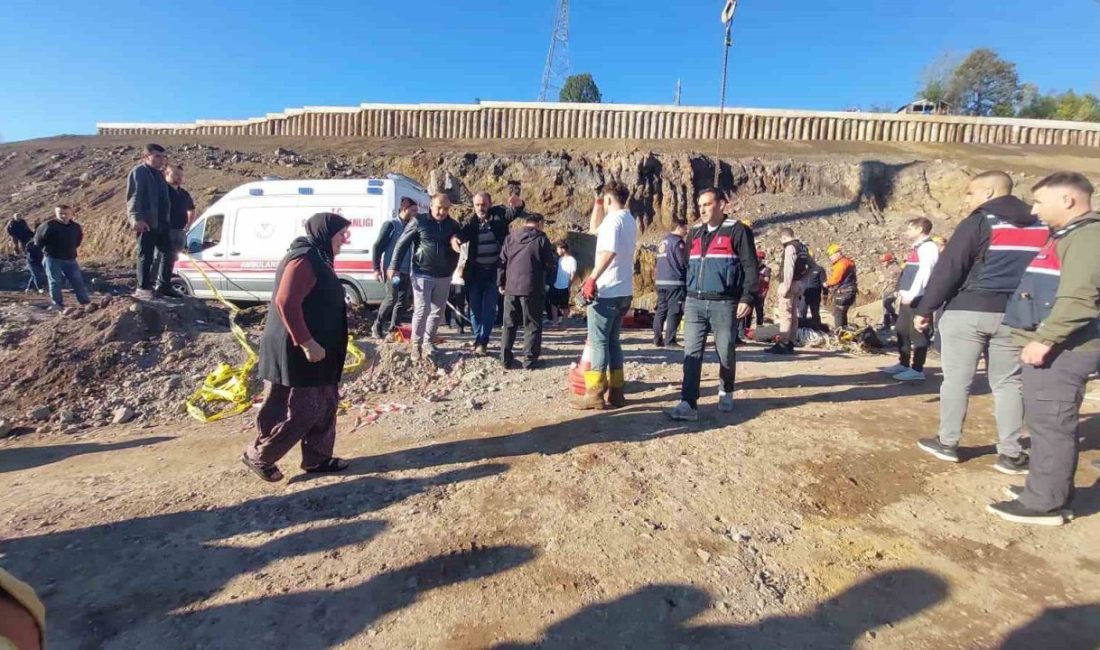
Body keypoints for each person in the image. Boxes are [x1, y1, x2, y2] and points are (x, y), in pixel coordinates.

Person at [987, 172, 1100, 526]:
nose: (1034, 211)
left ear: (1068, 200)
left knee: (1051, 424)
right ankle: (1049, 490)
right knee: (1044, 422)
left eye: (1039, 201)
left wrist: (1045, 338)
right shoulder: (1069, 235)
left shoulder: (1086, 237)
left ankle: (1044, 504)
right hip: (1057, 344)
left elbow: (1081, 298)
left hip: (1064, 349)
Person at [913, 171, 1043, 474]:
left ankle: (948, 442)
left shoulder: (980, 222)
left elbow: (950, 269)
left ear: (988, 192)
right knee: (1009, 383)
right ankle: (1011, 454)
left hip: (968, 310)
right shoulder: (1041, 226)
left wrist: (926, 308)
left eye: (970, 193)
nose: (967, 199)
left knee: (958, 380)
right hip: (1016, 314)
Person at [242, 212, 352, 482]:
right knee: (301, 410)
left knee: (326, 402)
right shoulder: (304, 259)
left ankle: (317, 458)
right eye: (341, 235)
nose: (345, 241)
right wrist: (307, 342)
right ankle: (260, 456)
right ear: (326, 234)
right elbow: (286, 302)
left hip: (320, 350)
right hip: (297, 350)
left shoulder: (320, 256)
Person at [666, 188, 758, 421]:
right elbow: (688, 265)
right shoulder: (694, 233)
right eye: (700, 205)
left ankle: (726, 390)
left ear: (722, 205)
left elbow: (750, 267)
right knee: (691, 353)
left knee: (726, 351)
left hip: (724, 304)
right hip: (695, 302)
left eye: (707, 204)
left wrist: (747, 297)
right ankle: (688, 403)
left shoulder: (738, 231)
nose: (703, 210)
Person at [570, 181, 638, 410]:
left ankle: (595, 393)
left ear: (610, 199)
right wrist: (599, 203)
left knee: (599, 341)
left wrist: (591, 279)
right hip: (624, 291)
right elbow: (593, 229)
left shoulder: (612, 221)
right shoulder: (628, 220)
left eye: (604, 201)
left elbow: (609, 251)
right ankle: (617, 392)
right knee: (613, 341)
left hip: (606, 290)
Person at [389, 194, 464, 361]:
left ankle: (428, 342)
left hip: (444, 274)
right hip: (422, 272)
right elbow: (402, 243)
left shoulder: (453, 225)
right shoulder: (419, 221)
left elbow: (460, 240)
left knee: (438, 311)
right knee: (422, 310)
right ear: (431, 205)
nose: (442, 211)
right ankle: (416, 344)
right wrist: (393, 265)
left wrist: (456, 239)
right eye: (439, 207)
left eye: (446, 208)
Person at [880, 218, 940, 382]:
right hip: (908, 297)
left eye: (910, 229)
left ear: (920, 229)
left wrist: (913, 294)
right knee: (901, 330)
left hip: (918, 298)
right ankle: (903, 363)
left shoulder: (928, 247)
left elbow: (924, 274)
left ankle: (917, 369)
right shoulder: (917, 248)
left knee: (918, 333)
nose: (907, 232)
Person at [498, 213, 557, 369]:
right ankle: (529, 361)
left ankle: (505, 359)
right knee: (532, 324)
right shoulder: (541, 239)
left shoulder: (510, 238)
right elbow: (550, 263)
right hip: (532, 288)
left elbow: (502, 262)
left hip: (511, 287)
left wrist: (500, 282)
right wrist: (547, 281)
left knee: (509, 324)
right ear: (539, 223)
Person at [126, 143, 172, 300]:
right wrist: (136, 218)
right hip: (146, 222)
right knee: (145, 255)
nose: (161, 159)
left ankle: (164, 286)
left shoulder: (159, 174)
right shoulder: (139, 172)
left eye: (163, 156)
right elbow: (133, 196)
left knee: (168, 253)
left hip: (162, 222)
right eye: (157, 156)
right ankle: (143, 288)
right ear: (146, 156)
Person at [370, 197, 416, 339]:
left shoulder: (412, 226)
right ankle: (377, 326)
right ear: (404, 209)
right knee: (391, 298)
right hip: (393, 270)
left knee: (403, 300)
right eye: (413, 210)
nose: (415, 214)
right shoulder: (391, 225)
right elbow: (377, 246)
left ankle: (394, 328)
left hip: (407, 270)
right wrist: (376, 268)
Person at [34, 206, 91, 309]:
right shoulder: (48, 225)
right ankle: (57, 304)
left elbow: (78, 240)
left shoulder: (75, 227)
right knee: (55, 282)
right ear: (56, 213)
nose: (64, 216)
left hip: (70, 259)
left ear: (71, 214)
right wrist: (49, 251)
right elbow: (38, 241)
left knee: (77, 281)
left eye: (66, 213)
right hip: (53, 259)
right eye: (61, 213)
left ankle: (85, 302)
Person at [152, 163, 195, 298]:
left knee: (172, 259)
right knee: (159, 258)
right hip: (164, 230)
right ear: (166, 174)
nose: (179, 177)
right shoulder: (161, 190)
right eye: (175, 174)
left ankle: (165, 285)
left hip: (179, 231)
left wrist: (189, 224)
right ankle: (153, 285)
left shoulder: (183, 193)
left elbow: (191, 209)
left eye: (181, 175)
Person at [766, 228, 809, 355]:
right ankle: (790, 342)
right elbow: (812, 267)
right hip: (799, 284)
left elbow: (788, 269)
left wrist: (785, 286)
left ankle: (783, 343)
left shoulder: (790, 247)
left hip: (789, 285)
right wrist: (802, 280)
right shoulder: (803, 248)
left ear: (783, 237)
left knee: (785, 315)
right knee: (794, 316)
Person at [653, 218, 688, 347]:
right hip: (675, 282)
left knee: (661, 310)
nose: (687, 231)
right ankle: (670, 340)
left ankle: (657, 338)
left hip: (661, 282)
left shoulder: (663, 242)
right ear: (679, 228)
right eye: (685, 228)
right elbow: (683, 262)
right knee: (675, 310)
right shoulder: (678, 243)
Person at [824, 243, 858, 329]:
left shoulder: (841, 264)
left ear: (838, 253)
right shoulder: (848, 262)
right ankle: (845, 331)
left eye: (831, 255)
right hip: (850, 291)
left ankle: (840, 332)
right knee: (842, 313)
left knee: (838, 313)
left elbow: (836, 279)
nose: (830, 258)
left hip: (844, 292)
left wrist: (826, 283)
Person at [742, 249, 770, 337]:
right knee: (748, 312)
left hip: (760, 294)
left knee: (759, 312)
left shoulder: (766, 269)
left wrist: (758, 276)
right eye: (758, 258)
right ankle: (746, 330)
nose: (759, 260)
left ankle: (760, 330)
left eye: (761, 258)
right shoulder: (752, 267)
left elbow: (767, 280)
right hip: (752, 292)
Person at [549, 241, 576, 326]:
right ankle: (555, 321)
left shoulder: (572, 260)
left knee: (564, 306)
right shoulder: (559, 259)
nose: (557, 251)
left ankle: (564, 322)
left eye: (558, 249)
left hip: (565, 286)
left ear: (563, 249)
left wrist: (569, 286)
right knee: (553, 304)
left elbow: (572, 274)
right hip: (556, 284)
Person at [447, 242, 469, 333]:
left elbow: (465, 257)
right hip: (449, 276)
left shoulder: (465, 243)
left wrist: (461, 267)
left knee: (460, 302)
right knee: (450, 300)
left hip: (460, 277)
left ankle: (460, 326)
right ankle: (451, 322)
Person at [800, 252, 825, 330]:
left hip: (815, 295)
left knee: (815, 314)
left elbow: (823, 283)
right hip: (803, 295)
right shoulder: (802, 269)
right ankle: (801, 331)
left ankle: (817, 330)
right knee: (801, 313)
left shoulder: (819, 269)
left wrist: (825, 294)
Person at [879, 253, 902, 329]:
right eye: (882, 262)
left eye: (884, 261)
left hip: (893, 290)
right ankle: (887, 323)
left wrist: (898, 289)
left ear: (889, 261)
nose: (882, 263)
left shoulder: (896, 268)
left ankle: (894, 318)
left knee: (887, 304)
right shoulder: (886, 268)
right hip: (887, 289)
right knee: (885, 307)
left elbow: (900, 279)